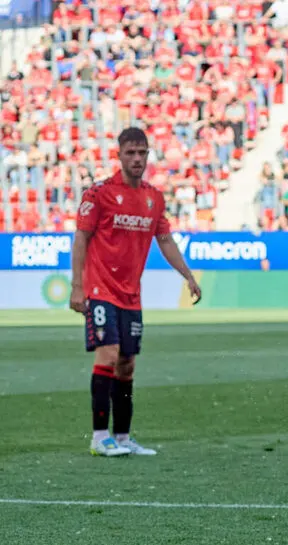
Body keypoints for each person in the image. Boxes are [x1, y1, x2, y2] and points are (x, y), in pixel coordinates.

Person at [70, 127, 202, 457]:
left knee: (127, 364)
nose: (137, 159)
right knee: (109, 354)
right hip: (100, 289)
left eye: (142, 152)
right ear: (119, 155)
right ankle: (100, 437)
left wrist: (188, 276)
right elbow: (81, 239)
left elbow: (166, 241)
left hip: (131, 294)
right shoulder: (98, 194)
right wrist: (77, 287)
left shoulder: (153, 198)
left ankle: (124, 438)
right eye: (130, 153)